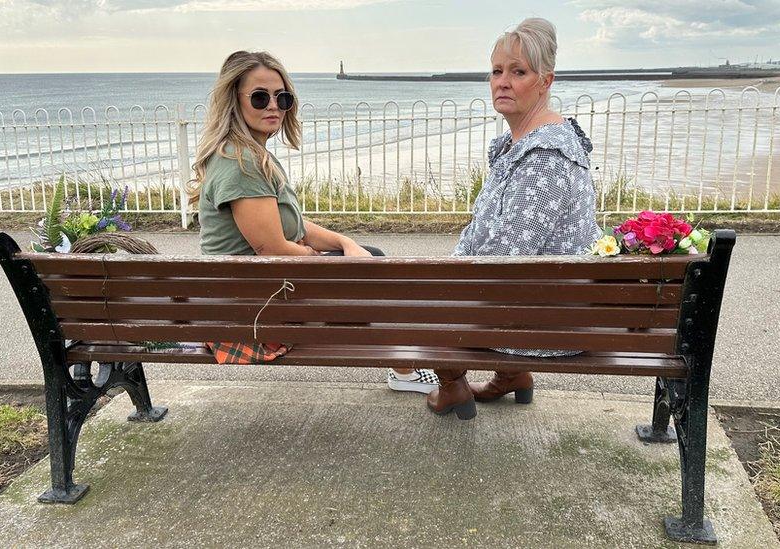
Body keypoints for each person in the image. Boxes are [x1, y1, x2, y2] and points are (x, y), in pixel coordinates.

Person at [185, 50, 437, 393]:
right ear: (235, 101)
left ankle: (404, 366)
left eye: (282, 97)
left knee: (367, 256)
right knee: (373, 268)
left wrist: (347, 245)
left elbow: (296, 228)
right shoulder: (241, 163)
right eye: (260, 98)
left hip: (251, 294)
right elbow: (273, 250)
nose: (273, 105)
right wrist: (324, 263)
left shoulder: (249, 155)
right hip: (250, 316)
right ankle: (406, 371)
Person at [426, 19, 603, 419]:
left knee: (422, 299)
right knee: (442, 282)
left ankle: (452, 384)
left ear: (545, 81)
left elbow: (507, 255)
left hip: (545, 323)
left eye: (518, 72)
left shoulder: (545, 158)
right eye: (496, 71)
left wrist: (450, 274)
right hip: (536, 304)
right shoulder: (523, 143)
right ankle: (512, 374)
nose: (502, 82)